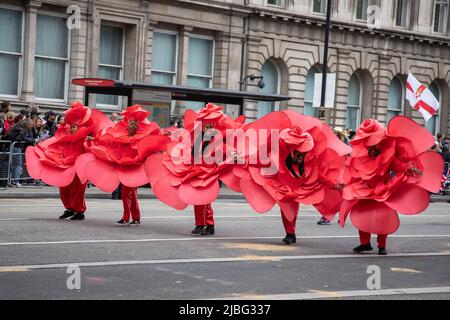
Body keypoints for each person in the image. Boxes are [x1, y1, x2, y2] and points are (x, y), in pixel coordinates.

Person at [340, 117, 444, 255]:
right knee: (363, 216)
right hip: (365, 191)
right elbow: (352, 172)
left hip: (383, 191)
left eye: (373, 145)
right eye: (368, 146)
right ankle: (365, 244)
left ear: (380, 144)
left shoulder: (387, 155)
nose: (370, 149)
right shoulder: (360, 156)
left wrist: (409, 168)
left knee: (383, 218)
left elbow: (398, 165)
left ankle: (381, 246)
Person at [77, 105, 168, 226]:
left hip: (135, 168)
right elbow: (108, 141)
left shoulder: (142, 137)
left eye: (133, 124)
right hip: (124, 167)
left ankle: (126, 217)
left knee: (126, 192)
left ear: (138, 126)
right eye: (129, 123)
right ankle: (136, 217)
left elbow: (152, 145)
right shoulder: (121, 136)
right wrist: (93, 139)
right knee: (132, 193)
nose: (130, 126)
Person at [26, 102, 112, 220]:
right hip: (66, 166)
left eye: (75, 127)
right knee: (64, 188)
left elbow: (97, 147)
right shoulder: (65, 137)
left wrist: (91, 141)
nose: (72, 129)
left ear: (80, 128)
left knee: (77, 190)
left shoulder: (85, 139)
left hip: (79, 168)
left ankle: (79, 211)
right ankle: (70, 208)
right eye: (71, 127)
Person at [6, 119, 38, 187]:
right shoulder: (22, 130)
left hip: (12, 146)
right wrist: (32, 140)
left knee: (14, 164)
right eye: (31, 125)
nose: (31, 127)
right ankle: (16, 181)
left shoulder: (16, 126)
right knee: (18, 164)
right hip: (16, 147)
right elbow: (19, 138)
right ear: (27, 124)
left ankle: (12, 180)